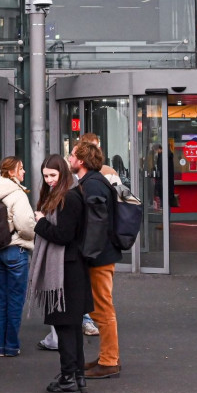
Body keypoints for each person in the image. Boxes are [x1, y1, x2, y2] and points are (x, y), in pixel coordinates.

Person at [31, 154, 92, 393]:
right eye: (45, 177)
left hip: (65, 271)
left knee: (66, 326)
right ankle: (76, 375)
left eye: (53, 176)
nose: (49, 181)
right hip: (71, 269)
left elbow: (64, 235)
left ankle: (69, 378)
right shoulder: (71, 194)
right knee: (72, 326)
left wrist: (41, 222)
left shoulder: (68, 197)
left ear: (63, 174)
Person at [68, 141, 124, 379]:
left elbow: (97, 224)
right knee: (101, 308)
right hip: (101, 255)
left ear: (81, 161)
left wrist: (87, 255)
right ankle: (106, 357)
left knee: (103, 309)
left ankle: (110, 361)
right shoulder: (93, 182)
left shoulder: (92, 185)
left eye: (72, 155)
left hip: (99, 258)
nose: (69, 158)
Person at [0, 156, 36, 357]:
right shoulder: (17, 194)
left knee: (0, 298)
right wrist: (31, 236)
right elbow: (26, 226)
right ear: (11, 172)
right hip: (15, 250)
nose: (24, 172)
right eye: (21, 169)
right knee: (15, 299)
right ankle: (11, 345)